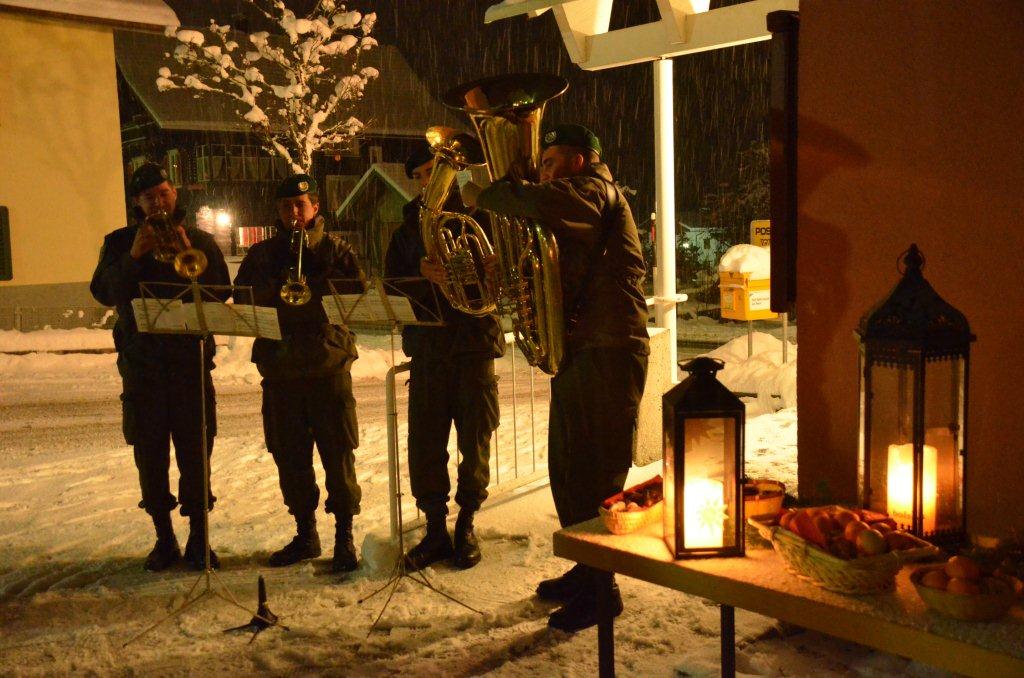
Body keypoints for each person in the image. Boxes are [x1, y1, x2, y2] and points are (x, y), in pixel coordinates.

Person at [464, 124, 649, 631]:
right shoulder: (577, 199)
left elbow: (535, 202)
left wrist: (491, 193)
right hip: (585, 348)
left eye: (549, 162)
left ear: (579, 161)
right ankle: (587, 569)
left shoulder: (594, 191)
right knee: (569, 470)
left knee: (597, 474)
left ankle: (602, 590)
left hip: (609, 349)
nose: (542, 173)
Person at [90, 162, 231, 571]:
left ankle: (200, 538)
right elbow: (104, 293)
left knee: (196, 453)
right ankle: (164, 538)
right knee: (150, 456)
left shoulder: (200, 239)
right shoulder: (119, 242)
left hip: (190, 364)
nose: (159, 201)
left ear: (175, 193)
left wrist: (192, 252)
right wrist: (134, 256)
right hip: (143, 367)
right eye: (150, 197)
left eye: (164, 193)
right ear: (137, 202)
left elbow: (221, 293)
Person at [234, 174, 365, 573]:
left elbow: (355, 297)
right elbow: (242, 298)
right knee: (290, 457)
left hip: (328, 367)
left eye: (301, 205)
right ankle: (306, 533)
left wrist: (317, 274)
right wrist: (276, 286)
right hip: (282, 369)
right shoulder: (262, 254)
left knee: (338, 455)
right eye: (286, 206)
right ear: (278, 211)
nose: (294, 212)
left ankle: (344, 536)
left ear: (315, 208)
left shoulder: (337, 249)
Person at [383, 144, 504, 571]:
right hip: (429, 351)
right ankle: (435, 528)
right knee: (426, 444)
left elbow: (506, 281)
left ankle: (467, 522)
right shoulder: (405, 233)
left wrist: (491, 269)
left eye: (435, 170)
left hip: (474, 345)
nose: (428, 181)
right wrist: (420, 272)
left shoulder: (479, 218)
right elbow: (391, 287)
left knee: (475, 440)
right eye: (421, 175)